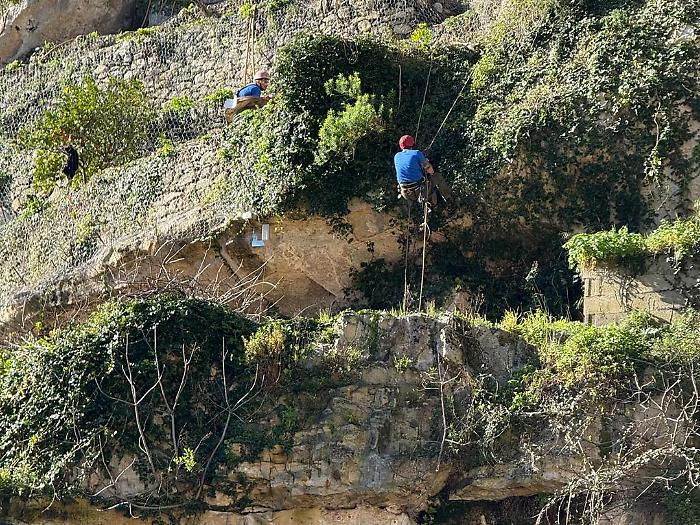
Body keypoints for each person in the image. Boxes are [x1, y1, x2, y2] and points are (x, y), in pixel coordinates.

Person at [394, 134, 448, 208]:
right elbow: (430, 170)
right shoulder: (417, 153)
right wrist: (426, 163)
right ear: (412, 144)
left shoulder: (396, 156)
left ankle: (427, 205)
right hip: (419, 190)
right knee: (437, 177)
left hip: (405, 192)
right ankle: (449, 200)